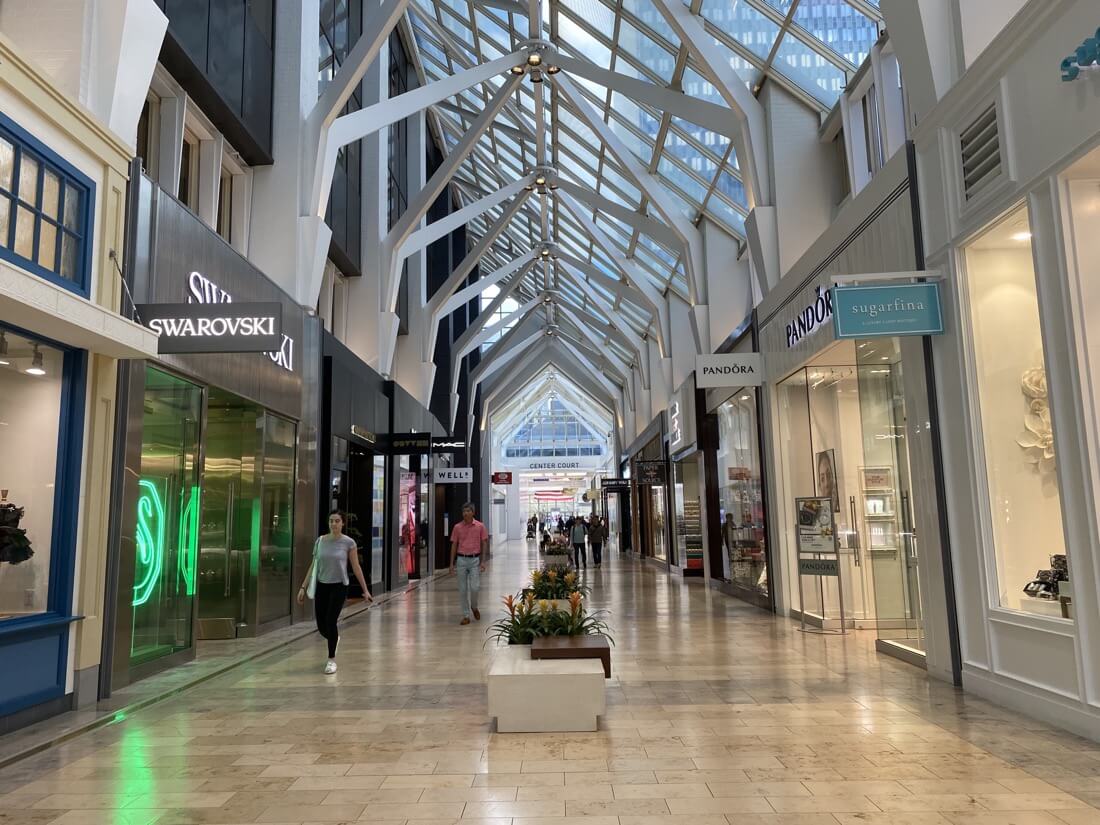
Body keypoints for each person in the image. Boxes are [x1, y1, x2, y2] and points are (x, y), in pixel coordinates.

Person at [297, 510, 372, 674]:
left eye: (337, 521)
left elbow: (356, 566)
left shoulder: (349, 543)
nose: (333, 524)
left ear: (343, 523)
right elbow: (313, 565)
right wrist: (303, 587)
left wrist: (365, 590)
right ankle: (334, 637)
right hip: (322, 585)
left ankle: (331, 660)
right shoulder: (320, 541)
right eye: (331, 521)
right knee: (321, 625)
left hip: (339, 586)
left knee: (331, 621)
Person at [449, 502, 488, 625]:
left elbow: (484, 543)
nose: (465, 513)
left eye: (468, 511)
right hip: (461, 560)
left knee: (475, 587)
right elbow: (454, 545)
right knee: (462, 589)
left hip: (475, 560)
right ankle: (466, 615)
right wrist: (451, 564)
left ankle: (474, 607)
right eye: (464, 511)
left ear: (473, 512)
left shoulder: (480, 526)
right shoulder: (457, 527)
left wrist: (483, 561)